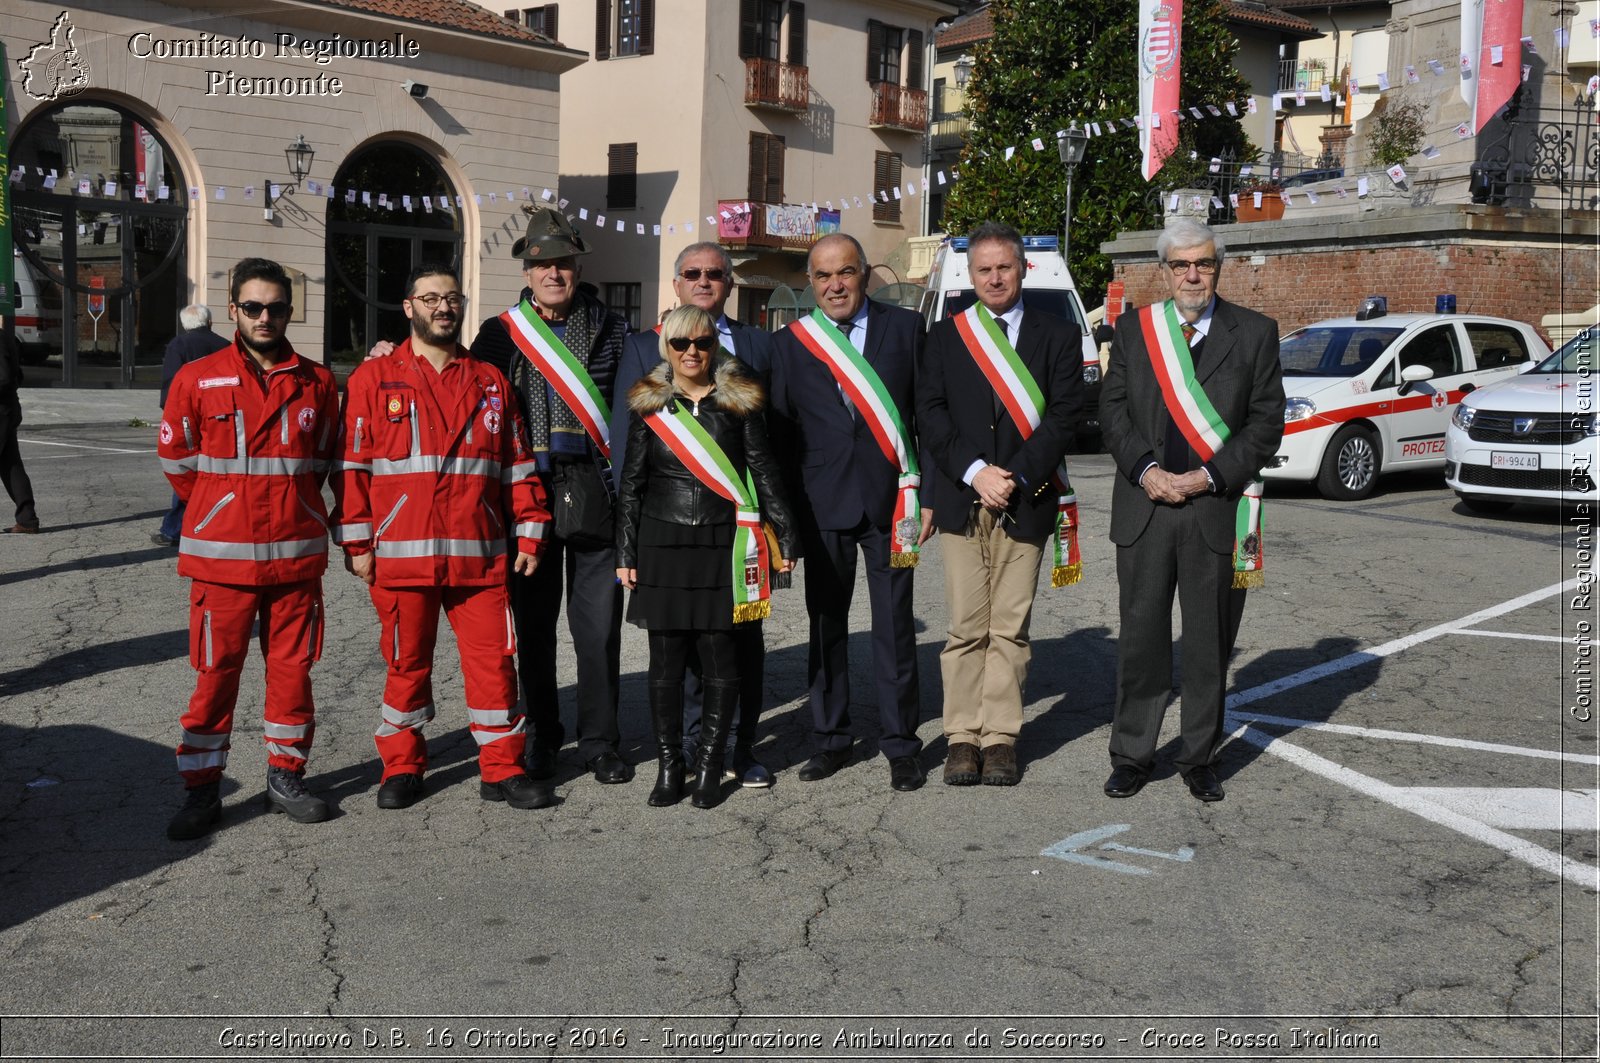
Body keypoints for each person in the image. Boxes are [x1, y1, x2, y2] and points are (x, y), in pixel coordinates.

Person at [335, 264, 554, 810]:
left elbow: (517, 465)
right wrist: (358, 545)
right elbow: (353, 470)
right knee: (406, 664)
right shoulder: (372, 380)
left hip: (479, 556)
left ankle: (502, 768)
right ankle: (403, 766)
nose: (443, 307)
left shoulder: (490, 381)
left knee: (495, 665)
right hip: (401, 558)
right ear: (408, 307)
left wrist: (530, 532)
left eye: (452, 298)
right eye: (430, 298)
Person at [1099, 218, 1285, 803]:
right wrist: (1148, 472)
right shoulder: (1134, 331)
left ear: (1218, 267)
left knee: (1209, 643)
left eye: (1203, 263)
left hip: (1215, 508)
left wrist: (1206, 477)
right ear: (1165, 271)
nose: (1192, 274)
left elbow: (1265, 424)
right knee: (1142, 639)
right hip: (1147, 506)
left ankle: (1199, 755)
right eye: (1181, 264)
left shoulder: (1255, 333)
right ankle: (1132, 753)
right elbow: (1112, 413)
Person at [157, 258, 340, 840]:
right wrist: (219, 507)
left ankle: (286, 776)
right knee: (216, 674)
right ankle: (202, 788)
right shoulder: (199, 376)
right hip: (223, 559)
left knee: (293, 673)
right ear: (233, 309)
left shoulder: (318, 381)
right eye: (254, 307)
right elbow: (178, 461)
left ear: (290, 311)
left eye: (277, 308)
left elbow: (329, 461)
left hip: (295, 556)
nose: (265, 317)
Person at [917, 221, 1083, 786]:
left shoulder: (1057, 334)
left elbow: (1065, 415)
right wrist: (975, 472)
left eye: (1003, 267)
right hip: (963, 497)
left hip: (1026, 498)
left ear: (1023, 269)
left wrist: (1015, 476)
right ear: (970, 274)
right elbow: (931, 416)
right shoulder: (944, 336)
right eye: (983, 269)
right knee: (967, 626)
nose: (994, 277)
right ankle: (963, 737)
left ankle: (1002, 737)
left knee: (1010, 626)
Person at [610, 241, 777, 788]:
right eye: (679, 341)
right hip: (663, 540)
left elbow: (766, 463)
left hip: (727, 541)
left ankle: (727, 756)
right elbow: (631, 476)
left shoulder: (753, 357)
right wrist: (626, 550)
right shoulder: (645, 382)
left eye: (714, 273)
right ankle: (674, 761)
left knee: (727, 655)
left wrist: (781, 535)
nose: (690, 350)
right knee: (669, 662)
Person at [473, 206, 631, 785]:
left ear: (577, 265)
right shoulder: (498, 333)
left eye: (562, 263)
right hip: (526, 500)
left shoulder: (613, 328)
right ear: (527, 271)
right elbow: (466, 391)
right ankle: (542, 736)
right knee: (534, 631)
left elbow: (633, 403)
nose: (553, 273)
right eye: (542, 264)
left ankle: (601, 741)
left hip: (596, 488)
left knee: (597, 629)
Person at [769, 233, 930, 791]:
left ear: (864, 274)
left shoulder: (906, 331)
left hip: (895, 503)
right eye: (822, 277)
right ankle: (830, 739)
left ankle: (901, 744)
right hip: (822, 504)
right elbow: (782, 436)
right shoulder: (790, 344)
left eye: (846, 273)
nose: (835, 285)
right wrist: (783, 518)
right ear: (810, 283)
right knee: (824, 628)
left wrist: (925, 493)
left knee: (895, 629)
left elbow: (925, 417)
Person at [153, 305, 229, 546]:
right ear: (210, 322)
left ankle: (174, 529)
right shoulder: (227, 345)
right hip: (222, 415)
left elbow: (172, 383)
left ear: (185, 324)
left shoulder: (179, 345)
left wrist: (169, 414)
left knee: (186, 472)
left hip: (189, 418)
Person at [0, 320, 40, 534]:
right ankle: (27, 519)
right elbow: (18, 375)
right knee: (11, 466)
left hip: (1, 410)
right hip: (7, 410)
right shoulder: (5, 337)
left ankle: (27, 519)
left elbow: (4, 377)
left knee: (11, 465)